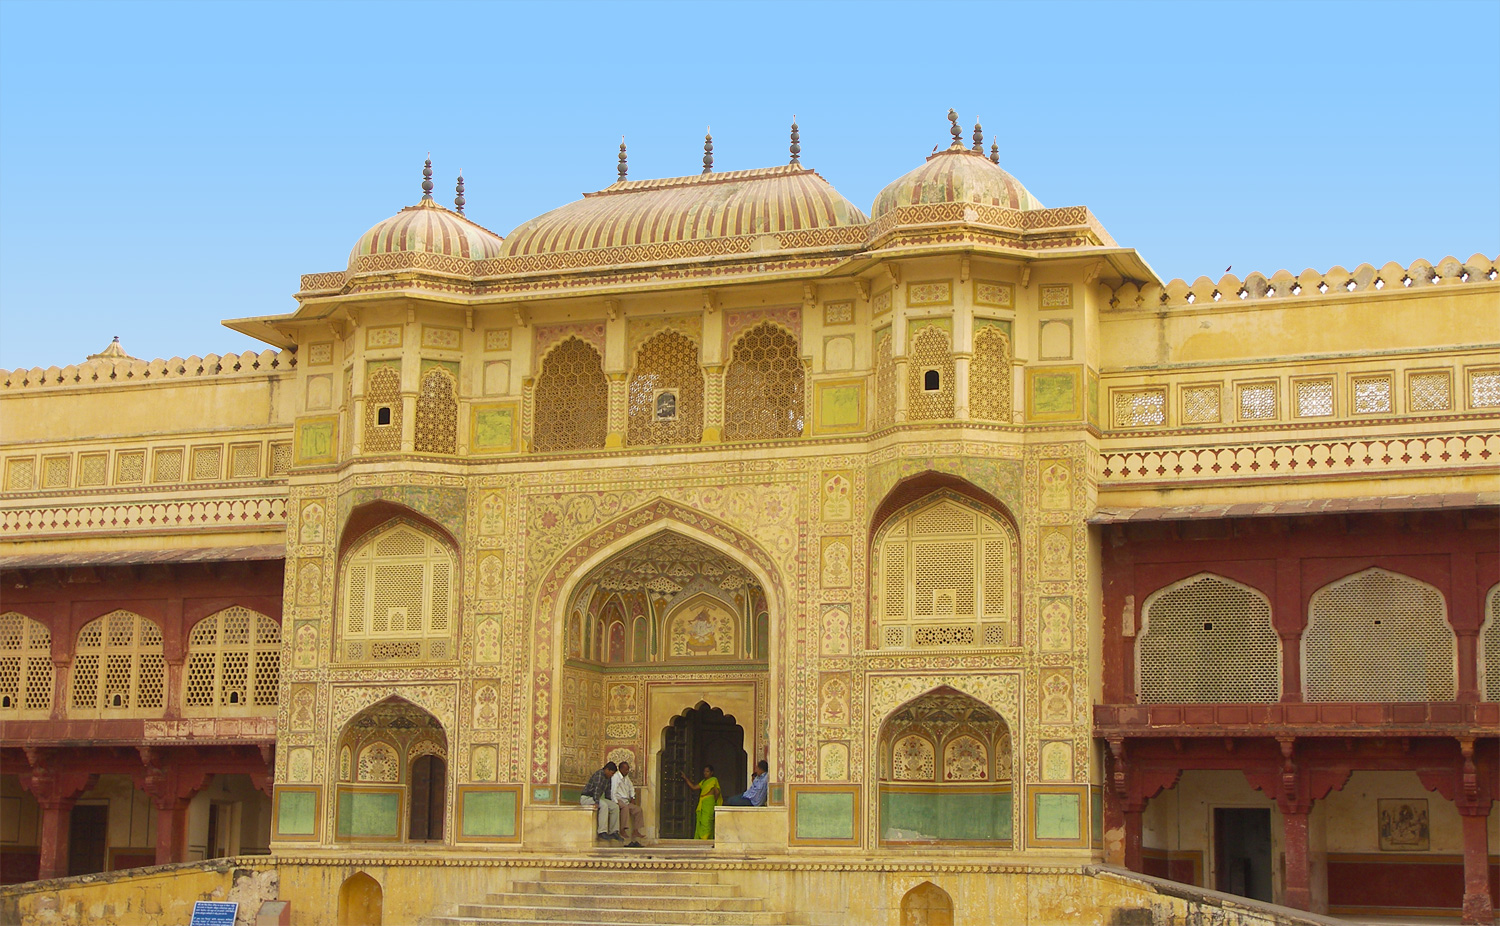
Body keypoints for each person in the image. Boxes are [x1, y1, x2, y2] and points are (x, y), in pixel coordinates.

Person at [580, 760, 620, 842]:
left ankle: (613, 831)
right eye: (611, 773)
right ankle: (602, 831)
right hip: (587, 798)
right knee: (604, 805)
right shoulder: (599, 775)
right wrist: (597, 802)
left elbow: (608, 792)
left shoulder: (608, 778)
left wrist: (610, 803)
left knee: (615, 807)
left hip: (595, 798)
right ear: (607, 770)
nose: (612, 775)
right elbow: (596, 790)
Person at [680, 764, 721, 839]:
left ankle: (706, 838)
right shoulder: (703, 782)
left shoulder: (713, 780)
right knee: (701, 821)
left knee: (707, 821)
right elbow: (694, 787)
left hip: (709, 802)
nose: (705, 773)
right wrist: (685, 778)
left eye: (707, 771)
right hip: (703, 802)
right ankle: (701, 838)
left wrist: (713, 800)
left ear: (711, 772)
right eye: (704, 771)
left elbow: (717, 792)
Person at [613, 761, 645, 847]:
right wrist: (616, 802)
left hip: (626, 800)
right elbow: (613, 791)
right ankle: (623, 829)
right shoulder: (616, 777)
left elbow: (631, 788)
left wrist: (633, 797)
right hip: (618, 799)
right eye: (626, 769)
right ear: (621, 769)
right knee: (625, 808)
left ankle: (636, 831)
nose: (627, 771)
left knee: (638, 810)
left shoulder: (626, 778)